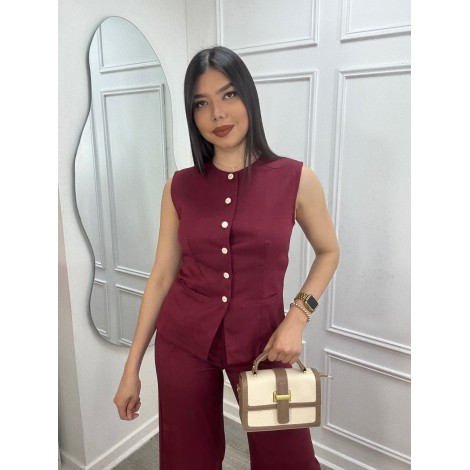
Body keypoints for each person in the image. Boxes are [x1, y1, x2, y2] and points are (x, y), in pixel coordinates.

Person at [114, 46, 340, 470]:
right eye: (201, 103)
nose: (217, 113)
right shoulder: (178, 187)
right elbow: (161, 277)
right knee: (188, 461)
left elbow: (329, 252)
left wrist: (297, 317)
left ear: (248, 96)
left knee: (288, 461)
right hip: (182, 340)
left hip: (265, 342)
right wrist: (131, 368)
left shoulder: (296, 179)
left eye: (229, 94)